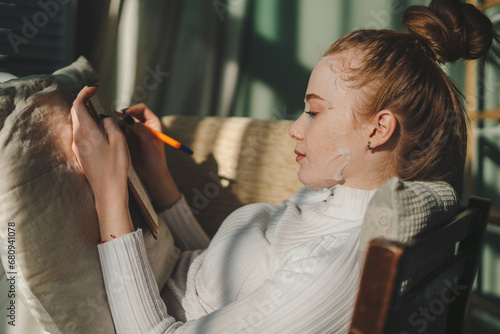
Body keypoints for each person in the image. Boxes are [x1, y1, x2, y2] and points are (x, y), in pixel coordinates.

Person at [71, 0, 496, 332]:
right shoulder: (334, 198)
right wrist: (160, 177)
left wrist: (110, 190)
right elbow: (227, 288)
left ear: (379, 129)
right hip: (155, 279)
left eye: (313, 111)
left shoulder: (339, 267)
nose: (295, 129)